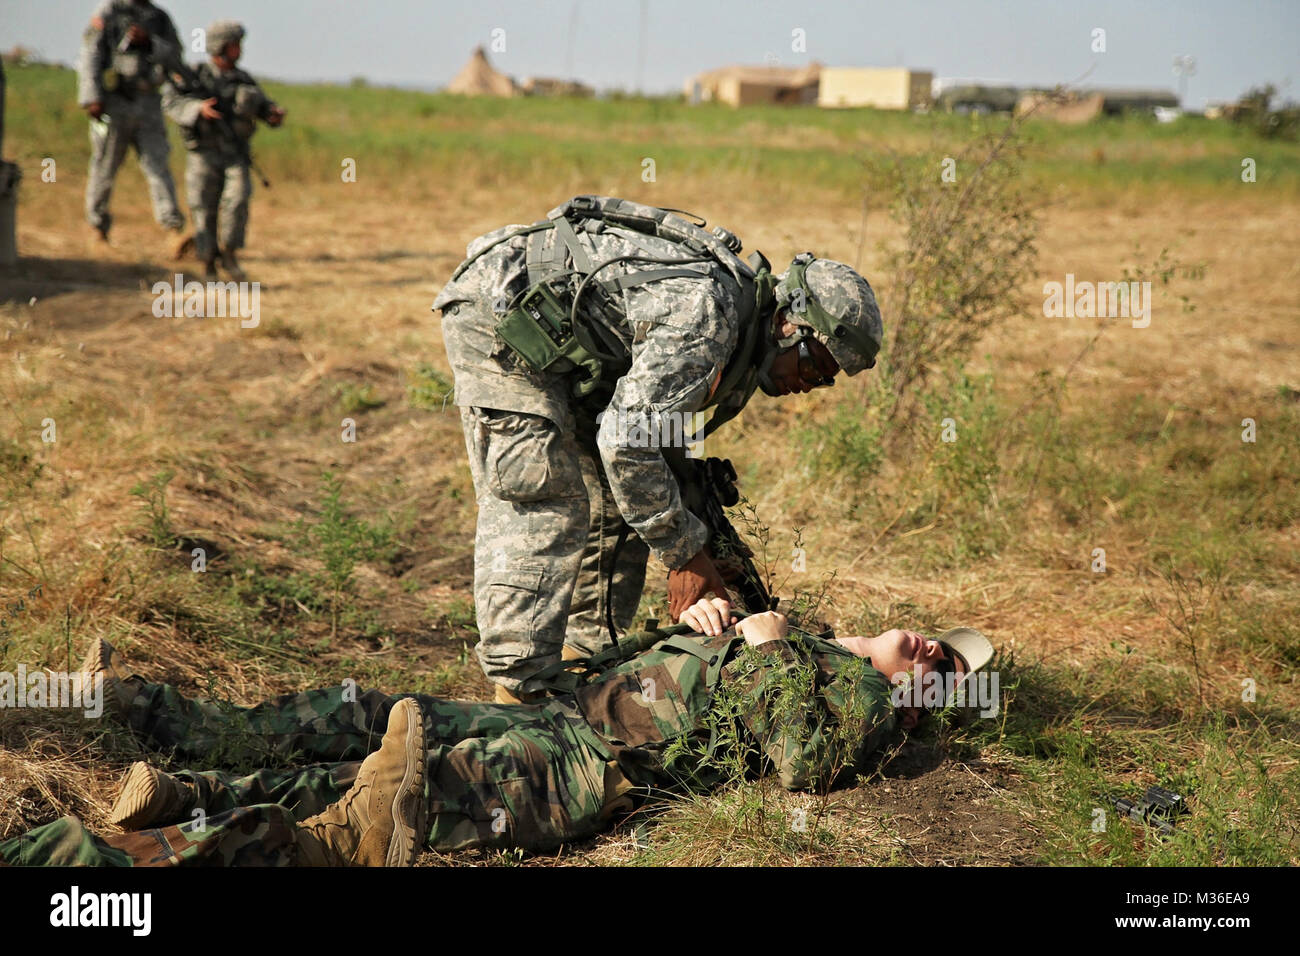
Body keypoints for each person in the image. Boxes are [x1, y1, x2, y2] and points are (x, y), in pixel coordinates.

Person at [0, 603, 993, 866]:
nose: (929, 646)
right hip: (563, 714)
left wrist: (772, 648)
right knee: (350, 723)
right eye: (937, 637)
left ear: (921, 701)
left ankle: (162, 833)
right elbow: (673, 682)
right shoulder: (814, 648)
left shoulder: (853, 702)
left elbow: (803, 763)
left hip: (586, 761)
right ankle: (149, 740)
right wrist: (702, 628)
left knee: (383, 806)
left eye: (942, 666)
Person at [432, 196, 884, 702]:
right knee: (545, 498)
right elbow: (628, 444)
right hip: (499, 317)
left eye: (827, 380)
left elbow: (661, 449)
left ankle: (583, 664)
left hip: (568, 345)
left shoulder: (735, 334)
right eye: (815, 363)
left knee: (623, 508)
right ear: (787, 324)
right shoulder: (707, 320)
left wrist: (710, 546)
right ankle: (518, 698)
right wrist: (684, 555)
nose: (813, 383)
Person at [162, 20, 285, 279]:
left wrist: (273, 115)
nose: (239, 50)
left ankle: (229, 255)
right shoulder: (194, 75)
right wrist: (198, 109)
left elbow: (264, 107)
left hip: (235, 154)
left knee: (238, 200)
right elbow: (171, 101)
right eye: (234, 45)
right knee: (203, 208)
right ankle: (207, 262)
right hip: (203, 154)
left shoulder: (243, 79)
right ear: (220, 46)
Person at [76, 0, 187, 244]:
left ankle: (173, 231)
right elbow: (90, 53)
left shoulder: (159, 17)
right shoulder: (108, 12)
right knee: (105, 166)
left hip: (148, 102)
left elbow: (176, 57)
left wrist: (150, 42)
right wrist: (92, 97)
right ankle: (97, 226)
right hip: (114, 101)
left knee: (158, 165)